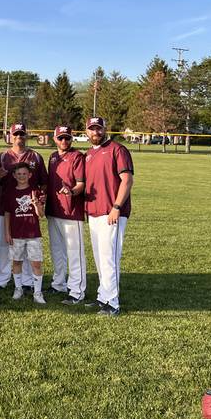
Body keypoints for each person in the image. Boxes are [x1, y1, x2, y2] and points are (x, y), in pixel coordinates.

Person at [84, 116, 134, 317]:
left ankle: (113, 303)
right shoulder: (89, 153)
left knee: (109, 258)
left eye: (99, 129)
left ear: (105, 129)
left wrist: (116, 206)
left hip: (111, 212)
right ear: (86, 132)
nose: (95, 132)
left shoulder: (117, 149)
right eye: (92, 129)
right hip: (94, 211)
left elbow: (127, 180)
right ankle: (103, 297)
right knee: (99, 258)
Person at [0, 123, 47, 295]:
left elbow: (44, 181)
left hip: (28, 211)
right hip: (6, 208)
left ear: (26, 136)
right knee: (4, 245)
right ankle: (1, 278)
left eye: (22, 134)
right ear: (10, 135)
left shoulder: (35, 156)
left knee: (29, 245)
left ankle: (28, 281)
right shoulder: (2, 156)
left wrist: (41, 196)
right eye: (16, 134)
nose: (19, 137)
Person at [45, 126, 87, 304]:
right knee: (57, 250)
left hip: (71, 211)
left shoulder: (77, 156)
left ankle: (77, 291)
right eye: (61, 138)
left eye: (67, 138)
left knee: (74, 252)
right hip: (54, 209)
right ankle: (58, 283)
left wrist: (72, 191)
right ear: (55, 139)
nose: (64, 141)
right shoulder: (53, 156)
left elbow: (81, 184)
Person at [4, 163, 47, 304]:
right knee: (16, 262)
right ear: (14, 175)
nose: (22, 176)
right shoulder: (10, 192)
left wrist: (36, 204)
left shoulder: (35, 191)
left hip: (33, 234)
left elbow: (41, 215)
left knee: (36, 264)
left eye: (24, 174)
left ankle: (38, 292)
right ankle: (18, 288)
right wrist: (7, 232)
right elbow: (7, 214)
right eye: (19, 174)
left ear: (29, 175)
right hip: (16, 234)